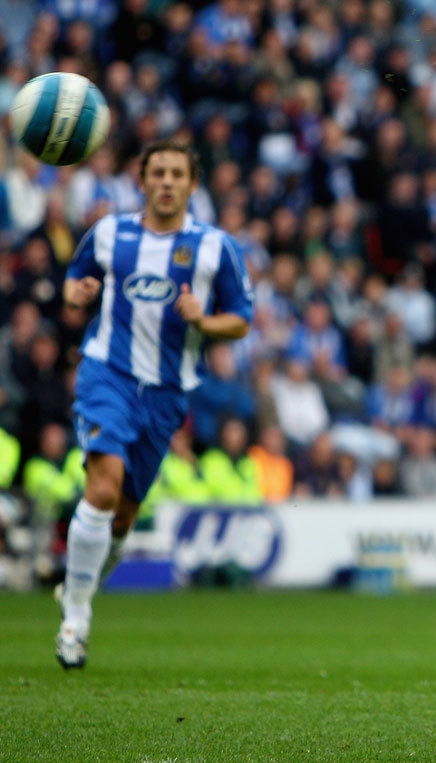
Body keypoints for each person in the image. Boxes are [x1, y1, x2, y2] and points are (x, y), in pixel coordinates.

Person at [55, 139, 253, 669]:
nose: (166, 182)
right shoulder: (109, 232)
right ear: (142, 181)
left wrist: (202, 320)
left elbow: (240, 319)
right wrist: (76, 294)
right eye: (157, 173)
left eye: (177, 174)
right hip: (107, 374)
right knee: (102, 486)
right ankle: (76, 616)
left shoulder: (216, 248)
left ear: (192, 184)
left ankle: (80, 586)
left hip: (167, 394)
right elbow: (74, 281)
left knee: (123, 515)